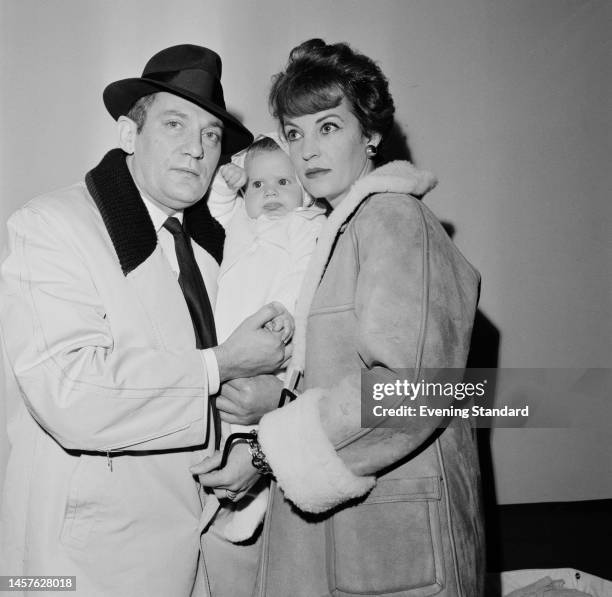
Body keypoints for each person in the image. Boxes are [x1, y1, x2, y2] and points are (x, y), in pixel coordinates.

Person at [194, 39, 485, 596]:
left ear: (370, 134)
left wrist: (266, 439)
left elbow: (415, 393)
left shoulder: (396, 222)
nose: (307, 152)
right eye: (296, 134)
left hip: (394, 542)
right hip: (348, 532)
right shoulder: (337, 231)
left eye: (328, 127)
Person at [0, 44, 291, 597]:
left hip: (196, 546)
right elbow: (72, 392)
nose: (196, 149)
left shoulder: (217, 246)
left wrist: (255, 450)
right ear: (130, 135)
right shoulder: (50, 226)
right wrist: (222, 364)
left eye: (210, 135)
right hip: (80, 564)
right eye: (175, 124)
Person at [195, 135, 325, 595]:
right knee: (226, 429)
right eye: (257, 186)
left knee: (252, 432)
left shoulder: (306, 224)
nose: (269, 193)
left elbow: (301, 276)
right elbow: (218, 204)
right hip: (227, 352)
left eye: (282, 182)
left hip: (269, 344)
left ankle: (244, 507)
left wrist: (285, 316)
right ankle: (229, 499)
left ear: (305, 190)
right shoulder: (240, 225)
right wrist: (231, 179)